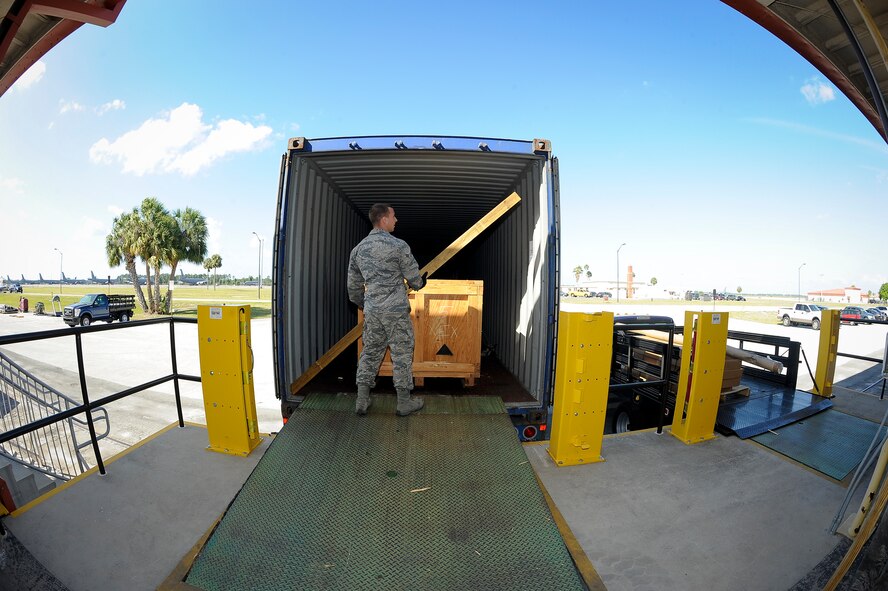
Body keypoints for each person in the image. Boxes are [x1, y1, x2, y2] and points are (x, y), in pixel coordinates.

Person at [347, 203, 427, 416]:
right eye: (394, 216)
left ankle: (362, 401)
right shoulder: (399, 246)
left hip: (373, 310)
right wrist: (420, 283)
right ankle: (403, 402)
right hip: (396, 310)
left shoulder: (358, 249)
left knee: (370, 352)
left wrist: (365, 304)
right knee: (401, 352)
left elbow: (353, 287)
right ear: (384, 219)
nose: (396, 220)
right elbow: (414, 279)